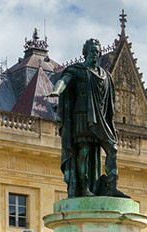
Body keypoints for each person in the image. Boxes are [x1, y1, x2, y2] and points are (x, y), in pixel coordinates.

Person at [49, 38, 128, 198]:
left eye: (97, 52)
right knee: (83, 151)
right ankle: (84, 188)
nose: (96, 54)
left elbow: (109, 104)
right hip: (82, 116)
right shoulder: (77, 70)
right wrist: (57, 90)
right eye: (92, 51)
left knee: (112, 149)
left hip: (101, 120)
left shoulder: (105, 75)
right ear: (85, 53)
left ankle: (112, 187)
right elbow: (64, 80)